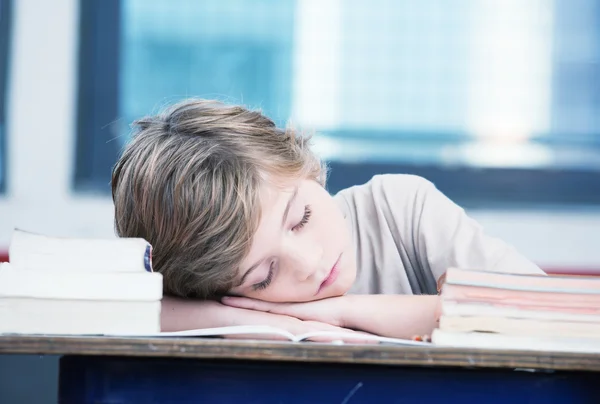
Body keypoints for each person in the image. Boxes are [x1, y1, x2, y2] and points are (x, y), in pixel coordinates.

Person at [111, 98, 545, 341]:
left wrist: (346, 311)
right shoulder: (224, 302)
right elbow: (110, 310)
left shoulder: (399, 209)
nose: (310, 262)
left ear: (304, 165)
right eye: (263, 276)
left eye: (300, 218)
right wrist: (240, 320)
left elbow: (549, 316)